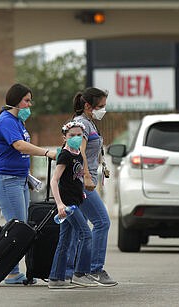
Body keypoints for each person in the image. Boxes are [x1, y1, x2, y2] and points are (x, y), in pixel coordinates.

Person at [0, 83, 57, 285]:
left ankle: (9, 270)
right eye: (26, 100)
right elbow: (19, 145)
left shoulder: (17, 122)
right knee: (18, 228)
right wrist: (46, 152)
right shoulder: (6, 121)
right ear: (15, 101)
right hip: (6, 180)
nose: (29, 104)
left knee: (19, 226)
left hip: (18, 180)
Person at [66, 87, 118, 286]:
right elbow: (79, 152)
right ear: (88, 106)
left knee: (78, 230)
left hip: (82, 183)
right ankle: (94, 269)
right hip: (80, 183)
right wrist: (86, 176)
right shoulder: (81, 124)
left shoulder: (89, 123)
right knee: (102, 222)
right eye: (100, 106)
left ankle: (73, 270)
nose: (103, 110)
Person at [48, 121, 97, 289]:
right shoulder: (65, 155)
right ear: (65, 137)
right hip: (67, 206)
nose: (75, 138)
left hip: (76, 201)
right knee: (86, 234)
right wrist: (60, 204)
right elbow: (54, 181)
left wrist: (81, 192)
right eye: (71, 135)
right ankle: (80, 274)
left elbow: (76, 178)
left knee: (66, 240)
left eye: (78, 135)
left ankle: (56, 278)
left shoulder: (77, 154)